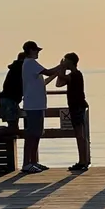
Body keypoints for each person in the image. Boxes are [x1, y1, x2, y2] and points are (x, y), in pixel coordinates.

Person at [18, 40, 62, 173]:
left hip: (37, 105)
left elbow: (45, 80)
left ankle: (33, 161)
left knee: (37, 134)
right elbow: (47, 72)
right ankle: (27, 163)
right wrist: (61, 66)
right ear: (31, 50)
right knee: (32, 134)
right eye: (36, 50)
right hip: (33, 106)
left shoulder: (31, 65)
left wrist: (57, 71)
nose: (38, 52)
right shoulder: (30, 63)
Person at [57, 52, 91, 172]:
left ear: (71, 62)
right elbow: (58, 84)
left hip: (77, 107)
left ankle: (83, 161)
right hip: (74, 107)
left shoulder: (76, 75)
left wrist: (61, 68)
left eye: (66, 60)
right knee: (79, 134)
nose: (64, 62)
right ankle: (82, 160)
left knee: (80, 135)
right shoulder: (71, 75)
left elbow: (62, 79)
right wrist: (62, 69)